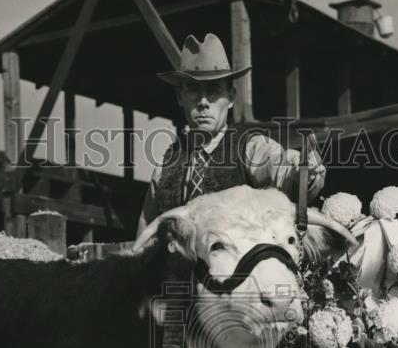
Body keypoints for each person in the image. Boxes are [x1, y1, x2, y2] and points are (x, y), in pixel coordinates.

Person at [137, 33, 325, 235]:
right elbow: (144, 236)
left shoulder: (249, 147)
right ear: (179, 97)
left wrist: (302, 170)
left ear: (231, 97)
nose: (203, 102)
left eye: (214, 90)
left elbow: (281, 166)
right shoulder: (165, 164)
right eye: (193, 90)